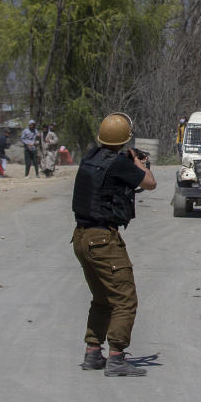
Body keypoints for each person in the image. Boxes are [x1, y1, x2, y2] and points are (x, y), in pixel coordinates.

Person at [72, 112, 156, 377]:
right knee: (124, 298)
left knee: (102, 298)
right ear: (124, 140)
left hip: (81, 237)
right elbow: (150, 184)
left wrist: (127, 160)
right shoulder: (120, 164)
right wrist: (139, 164)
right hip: (102, 239)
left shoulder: (90, 156)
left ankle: (93, 352)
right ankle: (117, 357)